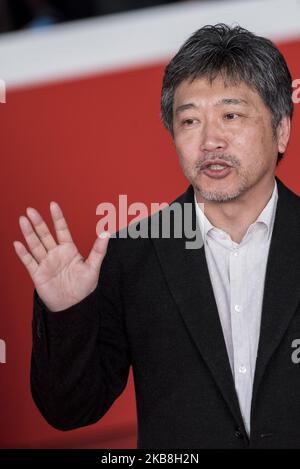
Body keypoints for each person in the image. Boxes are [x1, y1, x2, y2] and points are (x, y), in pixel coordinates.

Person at [13, 23, 300, 449]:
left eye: (231, 115)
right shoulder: (131, 257)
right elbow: (70, 410)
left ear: (281, 130)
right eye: (189, 121)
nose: (209, 141)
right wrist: (67, 313)